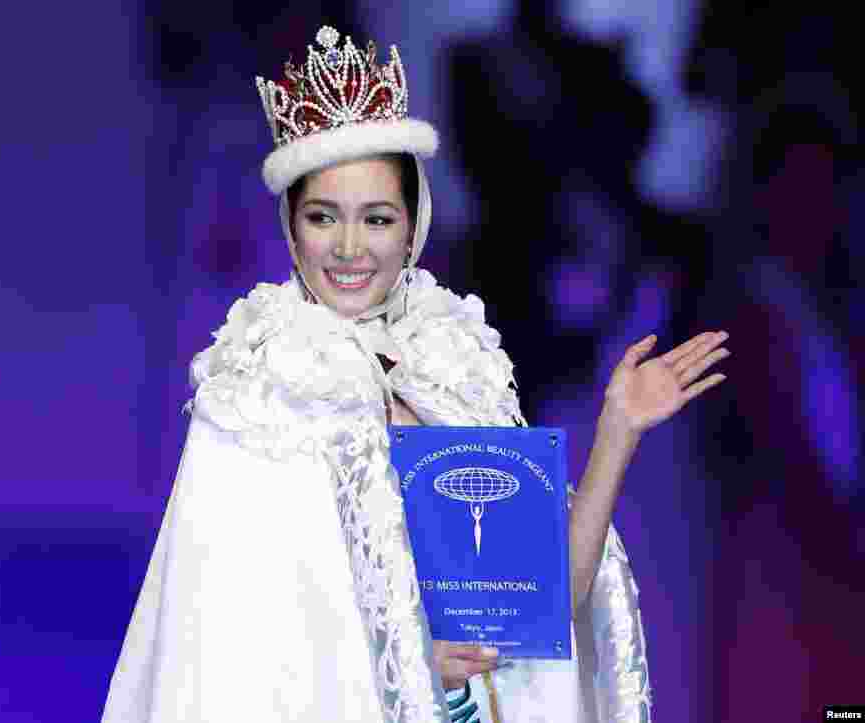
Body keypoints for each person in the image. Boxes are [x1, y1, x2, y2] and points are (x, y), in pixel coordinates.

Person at [100, 26, 728, 723]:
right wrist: (409, 659)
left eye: (376, 218)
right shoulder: (252, 397)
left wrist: (619, 428)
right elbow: (230, 658)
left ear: (412, 227)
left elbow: (535, 612)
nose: (347, 247)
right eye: (321, 217)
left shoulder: (452, 370)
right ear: (291, 226)